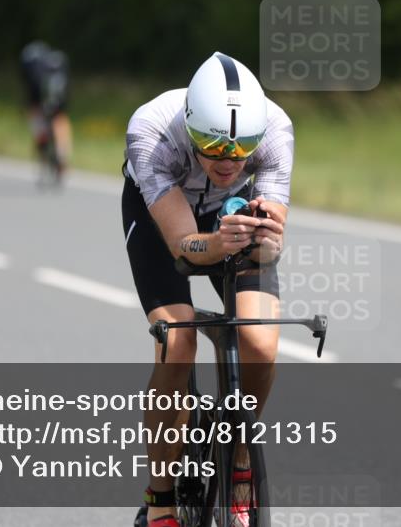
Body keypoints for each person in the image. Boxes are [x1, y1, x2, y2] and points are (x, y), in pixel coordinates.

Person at [123, 52, 293, 527]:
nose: (229, 161)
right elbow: (182, 245)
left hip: (232, 217)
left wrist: (264, 245)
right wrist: (218, 242)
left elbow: (271, 240)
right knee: (177, 343)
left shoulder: (276, 129)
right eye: (213, 147)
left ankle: (239, 460)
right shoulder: (151, 131)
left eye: (242, 151)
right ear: (192, 128)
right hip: (163, 219)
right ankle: (160, 497)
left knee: (259, 342)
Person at [20, 40, 73, 171]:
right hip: (59, 97)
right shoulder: (57, 65)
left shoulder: (31, 68)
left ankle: (42, 141)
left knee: (36, 115)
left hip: (38, 96)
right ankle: (62, 154)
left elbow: (30, 93)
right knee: (60, 118)